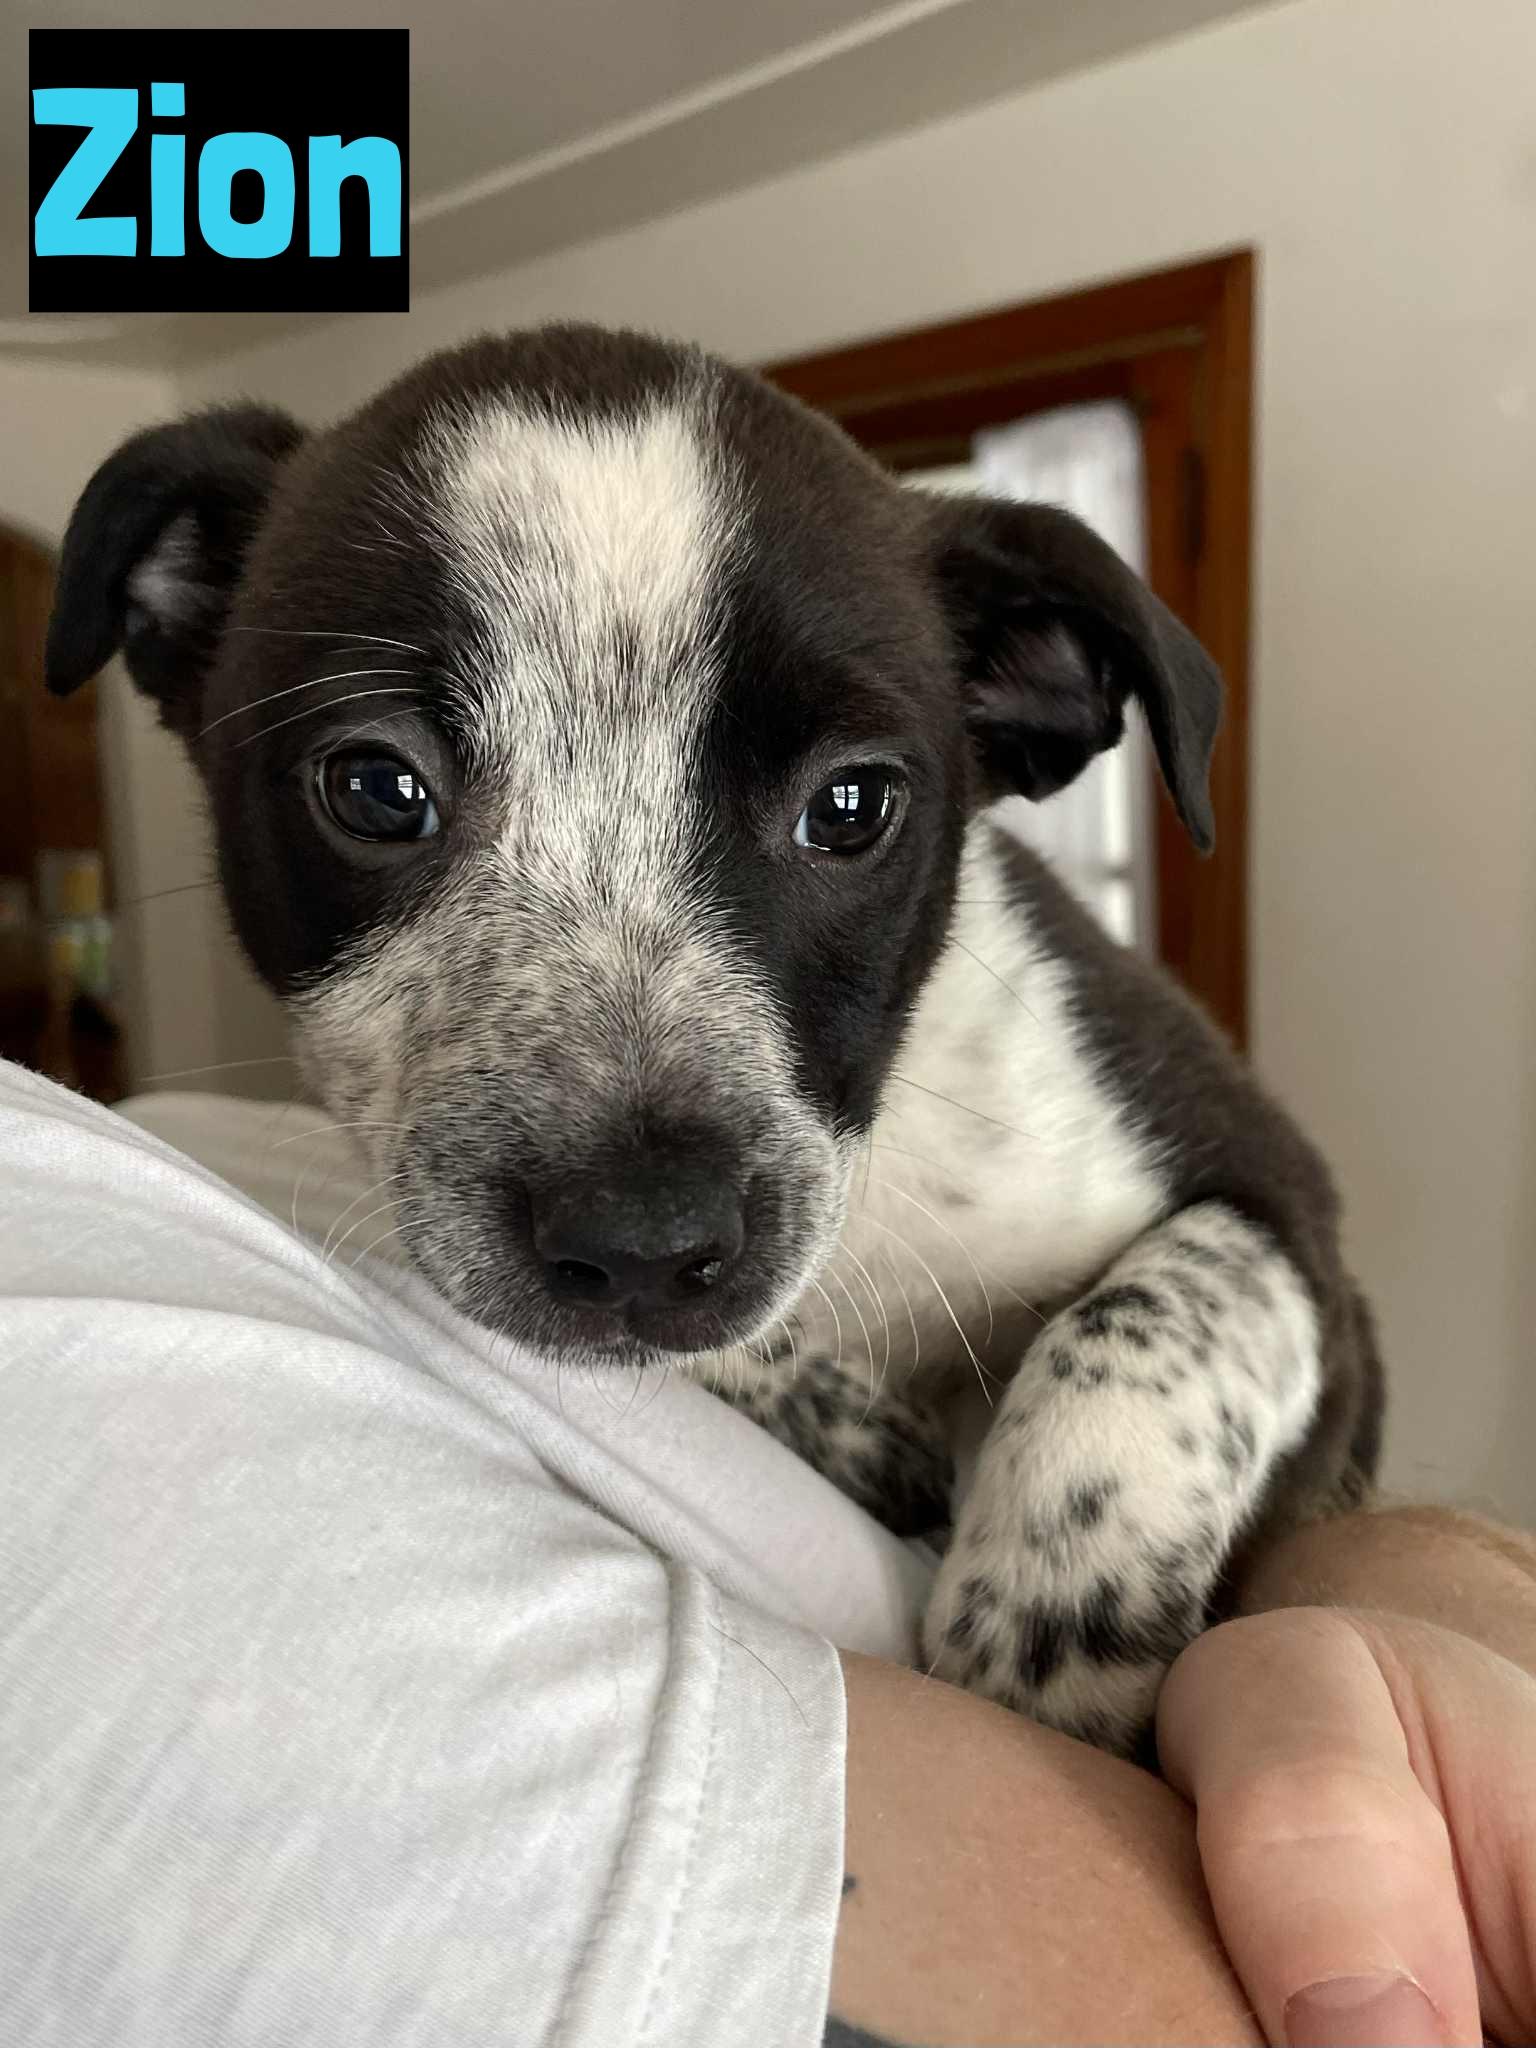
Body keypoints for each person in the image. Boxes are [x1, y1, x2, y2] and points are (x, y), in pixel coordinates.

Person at [1, 1058, 1531, 2048]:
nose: (637, 1184)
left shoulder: (176, 1144)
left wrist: (1390, 1579)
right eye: (389, 797)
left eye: (847, 809)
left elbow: (1280, 1256)